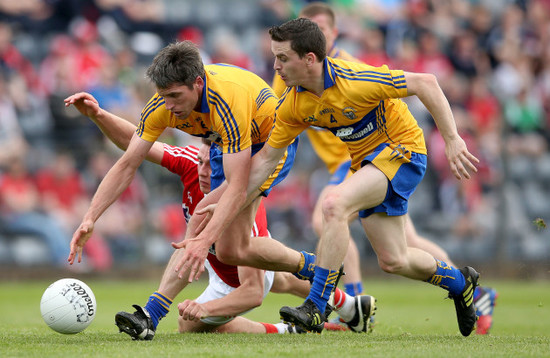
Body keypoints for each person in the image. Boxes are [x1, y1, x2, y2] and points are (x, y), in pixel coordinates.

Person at [64, 42, 375, 335]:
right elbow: (129, 160)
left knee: (213, 231)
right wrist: (90, 217)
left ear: (198, 83)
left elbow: (238, 185)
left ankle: (151, 314)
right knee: (234, 252)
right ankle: (321, 277)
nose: (169, 106)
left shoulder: (228, 100)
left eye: (175, 96)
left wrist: (202, 242)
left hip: (270, 147)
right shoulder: (165, 105)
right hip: (229, 147)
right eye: (163, 96)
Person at [215, 18, 481, 336]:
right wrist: (225, 206)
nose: (275, 66)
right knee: (394, 260)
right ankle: (461, 283)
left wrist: (452, 139)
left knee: (333, 204)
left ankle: (316, 305)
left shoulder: (353, 79)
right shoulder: (294, 104)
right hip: (367, 163)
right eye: (275, 57)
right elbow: (265, 162)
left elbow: (425, 82)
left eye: (283, 58)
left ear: (309, 59)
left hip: (403, 150)